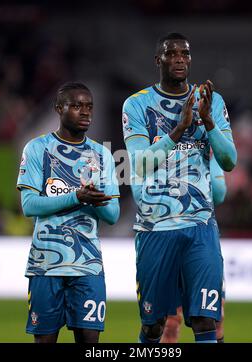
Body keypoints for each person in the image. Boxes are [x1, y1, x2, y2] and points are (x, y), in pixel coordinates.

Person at [122, 33, 236, 343]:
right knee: (155, 325)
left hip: (199, 225)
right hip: (155, 228)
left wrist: (208, 121)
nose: (180, 59)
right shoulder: (136, 104)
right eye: (172, 54)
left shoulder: (211, 100)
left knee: (205, 320)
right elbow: (140, 164)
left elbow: (229, 161)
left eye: (185, 54)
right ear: (158, 61)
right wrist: (180, 128)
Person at [17, 81, 120, 343]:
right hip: (46, 265)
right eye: (76, 106)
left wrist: (97, 201)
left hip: (88, 265)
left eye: (89, 107)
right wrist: (77, 196)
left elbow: (113, 215)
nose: (85, 112)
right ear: (58, 109)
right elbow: (29, 205)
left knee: (89, 342)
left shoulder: (102, 155)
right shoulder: (37, 149)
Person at [161, 156, 227, 343]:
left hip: (201, 241)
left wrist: (210, 158)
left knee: (214, 318)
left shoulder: (206, 149)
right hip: (167, 241)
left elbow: (220, 193)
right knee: (170, 323)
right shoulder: (160, 148)